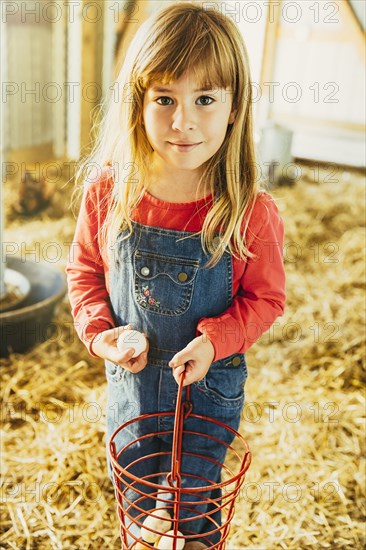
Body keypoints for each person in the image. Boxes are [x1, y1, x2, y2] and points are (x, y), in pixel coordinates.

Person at [66, 2, 286, 547]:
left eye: (205, 100)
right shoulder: (108, 193)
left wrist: (215, 342)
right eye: (164, 98)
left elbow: (266, 300)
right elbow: (85, 273)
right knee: (139, 513)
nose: (182, 121)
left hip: (209, 393)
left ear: (235, 108)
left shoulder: (249, 211)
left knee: (195, 517)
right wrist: (102, 334)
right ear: (137, 103)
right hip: (133, 392)